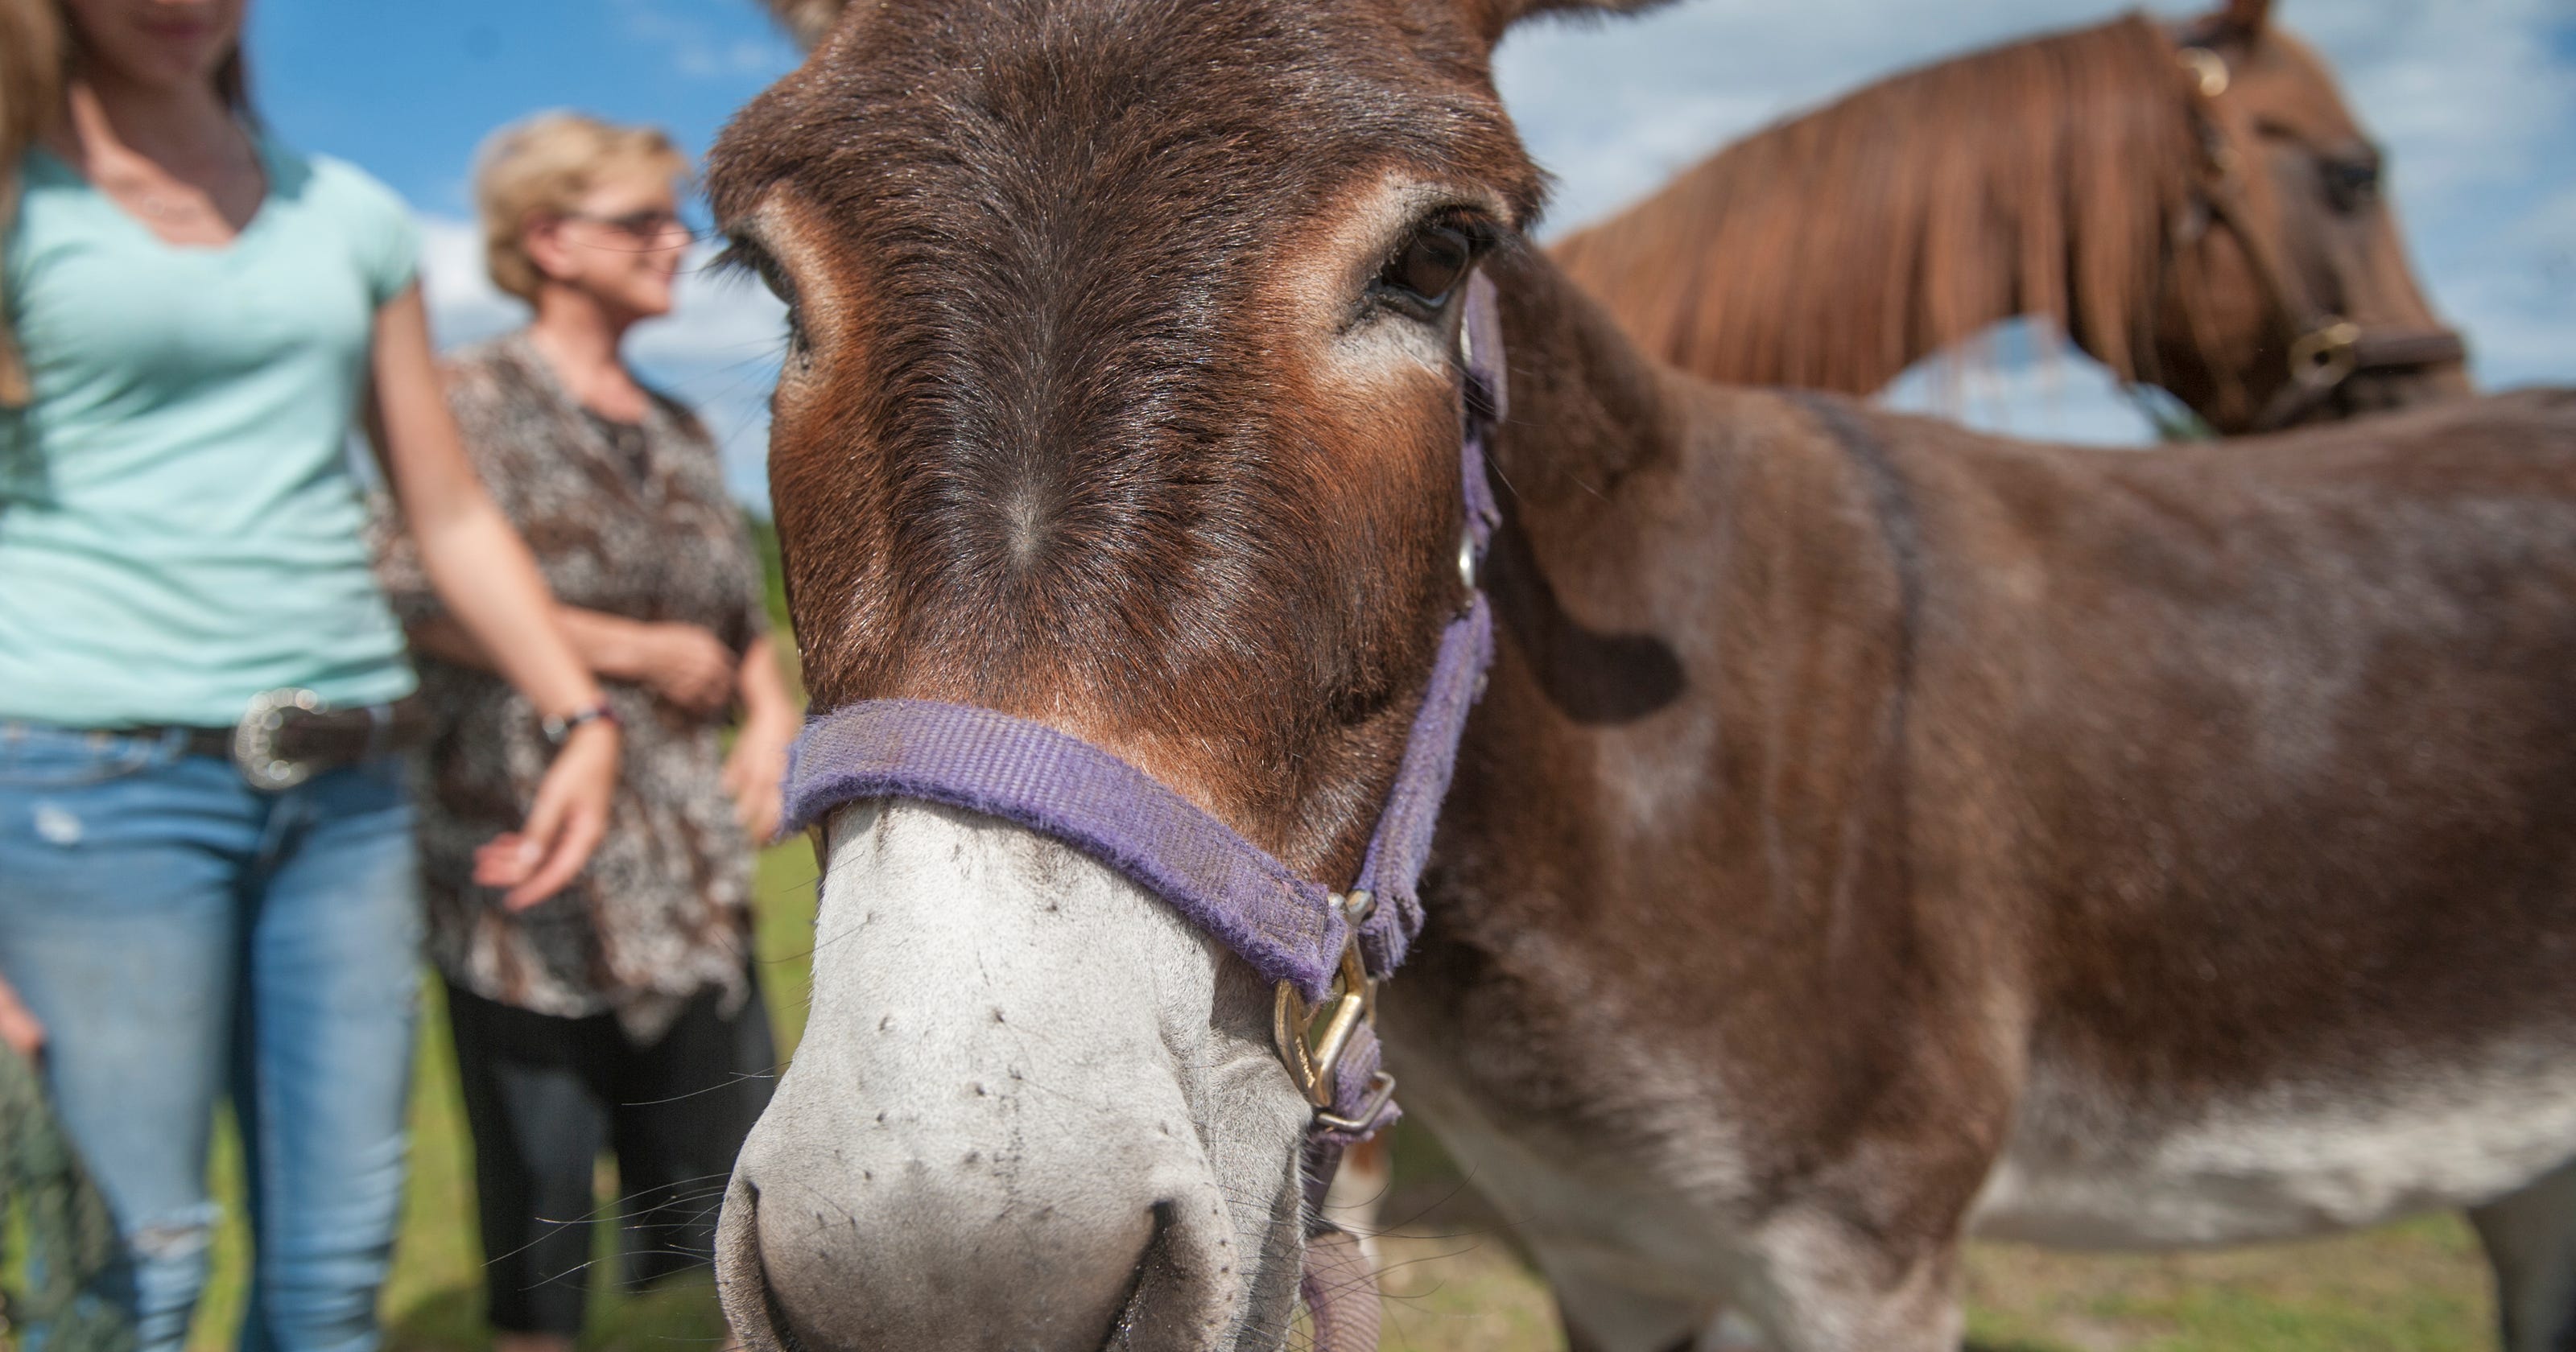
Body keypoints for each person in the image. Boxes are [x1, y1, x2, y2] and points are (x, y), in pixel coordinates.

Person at [0, 2, 623, 1350]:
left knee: (336, 1276)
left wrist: (577, 707)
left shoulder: (342, 213)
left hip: (344, 786)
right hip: (87, 784)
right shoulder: (19, 187)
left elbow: (446, 509)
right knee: (135, 1270)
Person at [372, 112, 796, 1352]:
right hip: (526, 841)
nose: (679, 242)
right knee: (540, 1188)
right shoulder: (465, 400)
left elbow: (735, 615)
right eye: (644, 221)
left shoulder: (679, 427)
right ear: (550, 239)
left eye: (680, 219)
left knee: (732, 1178)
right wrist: (632, 654)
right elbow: (412, 586)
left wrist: (769, 719)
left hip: (685, 860)